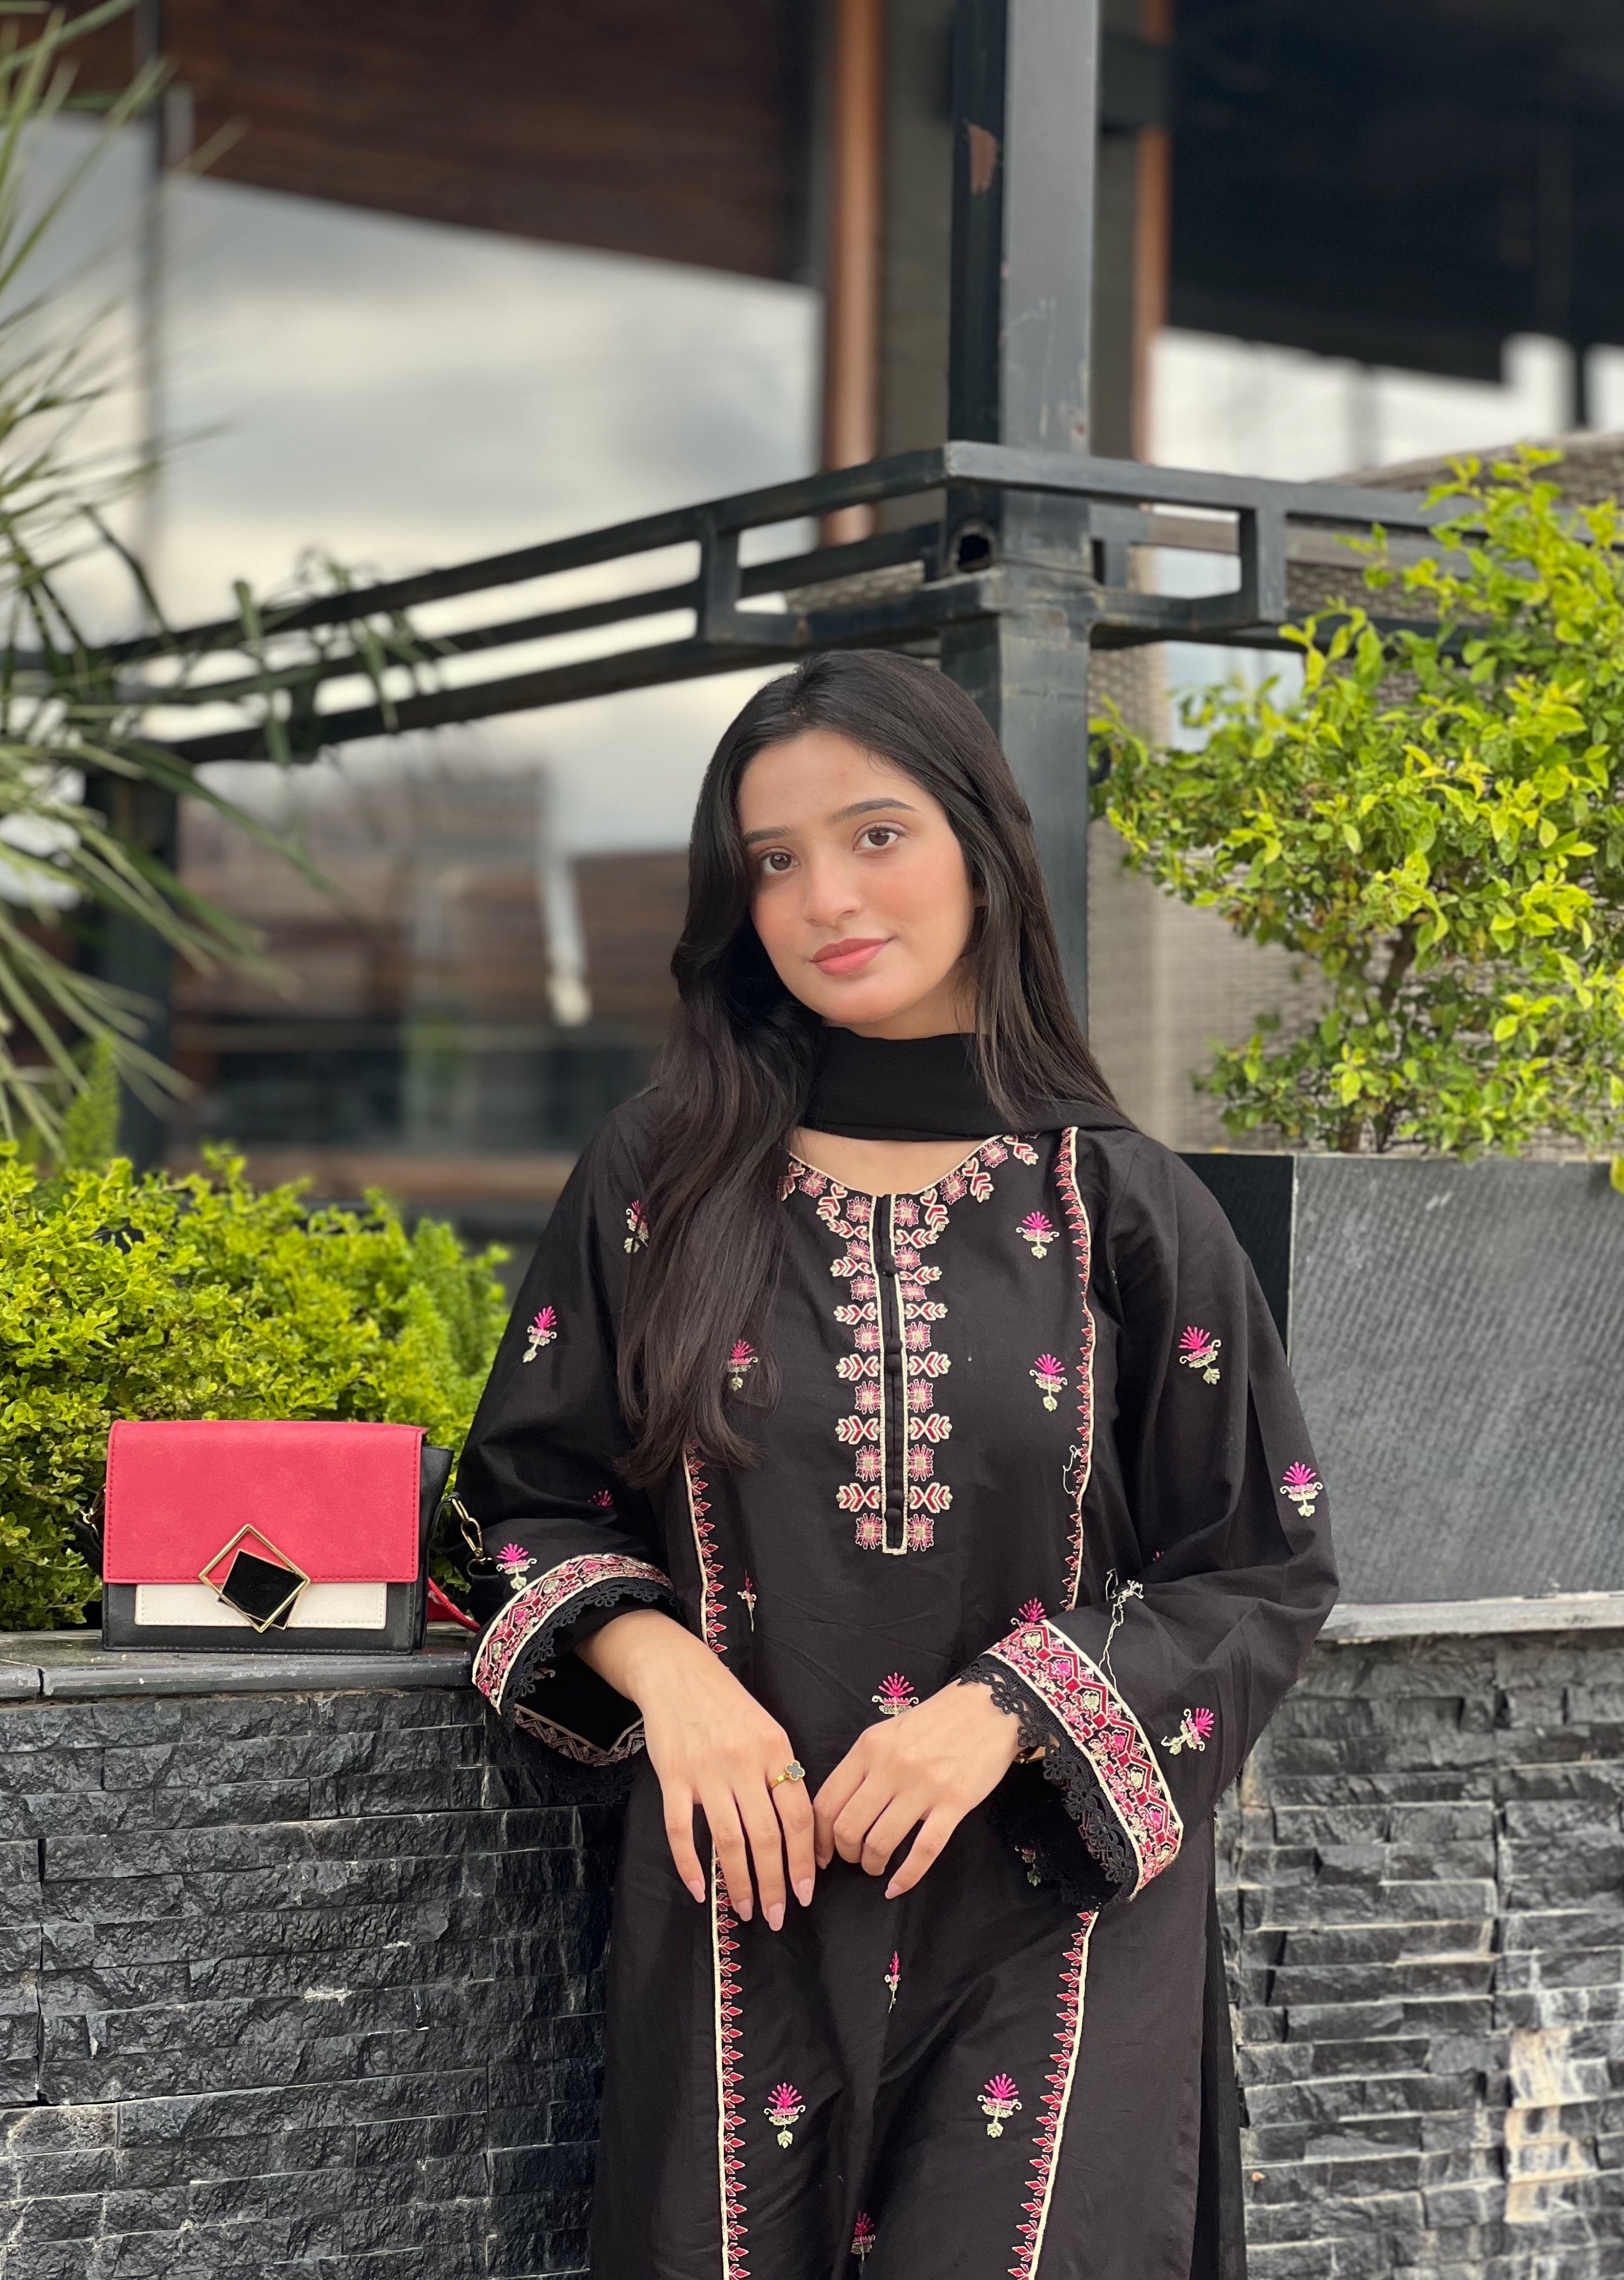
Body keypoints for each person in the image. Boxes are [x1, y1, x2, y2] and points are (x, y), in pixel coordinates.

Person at [455, 649, 1337, 2280]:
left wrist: (1005, 1711)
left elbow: (1255, 1570)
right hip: (744, 1915)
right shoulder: (662, 1179)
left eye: (876, 836)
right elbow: (520, 1506)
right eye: (772, 860)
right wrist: (673, 1677)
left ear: (981, 851)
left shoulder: (1126, 1206)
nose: (825, 900)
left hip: (1052, 1922)